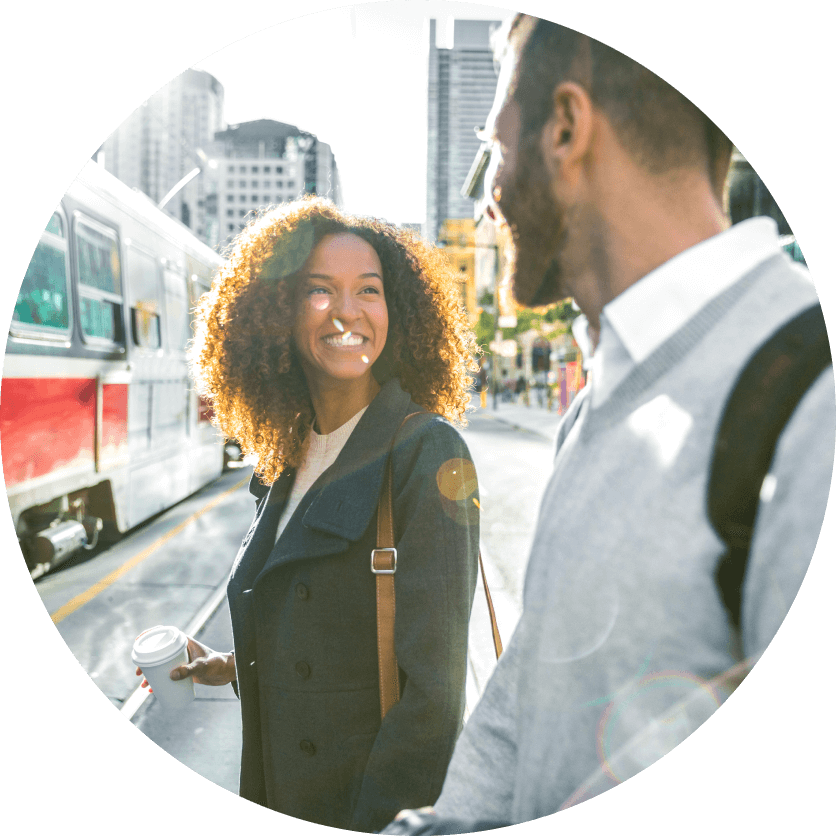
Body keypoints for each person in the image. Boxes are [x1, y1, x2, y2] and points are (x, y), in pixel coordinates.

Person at [382, 15, 833, 830]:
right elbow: (526, 704)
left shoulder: (813, 399)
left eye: (494, 150)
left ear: (565, 128)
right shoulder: (597, 402)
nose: (489, 200)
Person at [135, 197, 481, 831]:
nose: (348, 311)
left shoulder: (424, 451)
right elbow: (331, 632)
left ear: (394, 311)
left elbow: (434, 699)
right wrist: (237, 665)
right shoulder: (287, 456)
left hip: (361, 809)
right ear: (279, 314)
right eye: (320, 291)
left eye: (368, 291)